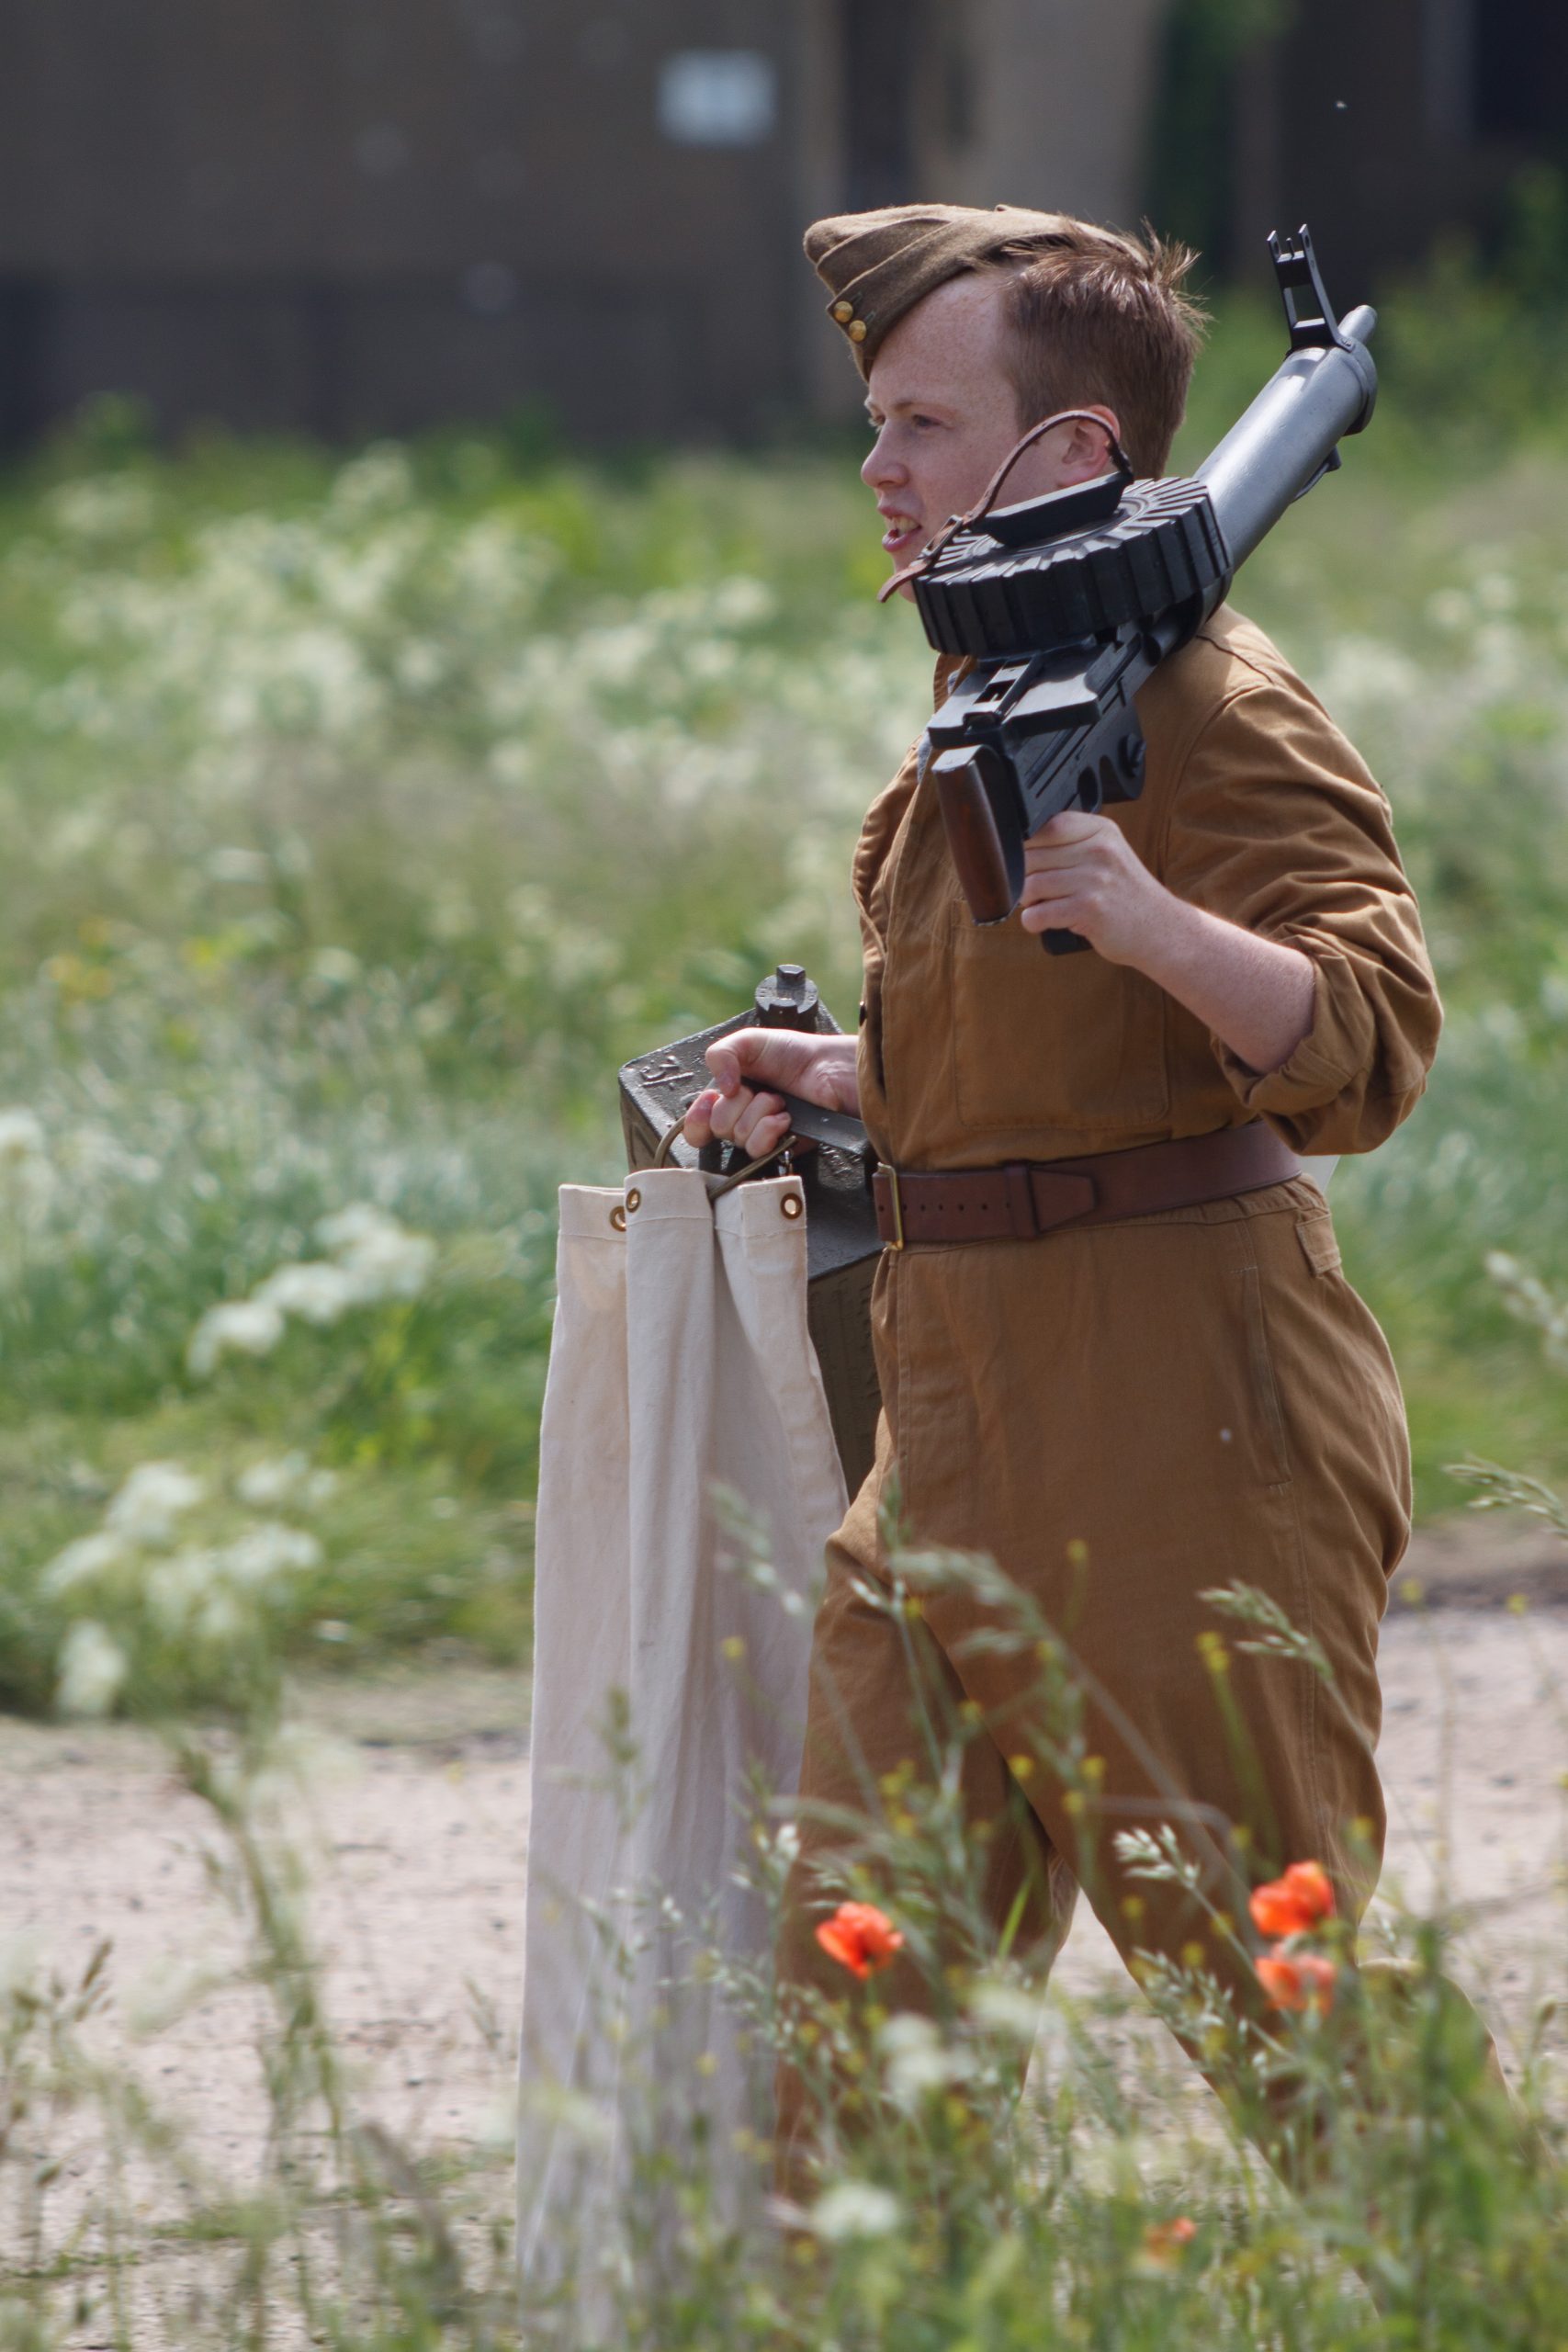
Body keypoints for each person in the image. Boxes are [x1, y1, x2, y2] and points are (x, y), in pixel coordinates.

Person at [682, 205, 1442, 2177]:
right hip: (945, 1439)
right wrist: (850, 1085)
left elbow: (1367, 1032)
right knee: (850, 2064)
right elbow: (1051, 1052)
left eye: (921, 425)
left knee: (1293, 2036)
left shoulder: (1209, 700)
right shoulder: (994, 676)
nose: (877, 469)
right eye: (874, 424)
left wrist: (1154, 914)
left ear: (1075, 455)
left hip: (1175, 1424)